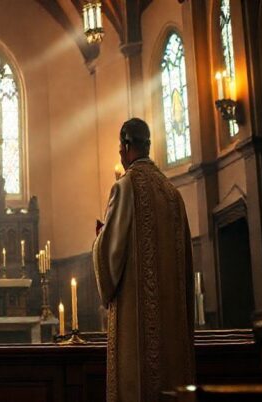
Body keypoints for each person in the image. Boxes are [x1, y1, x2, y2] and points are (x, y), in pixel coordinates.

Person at [93, 118, 195, 402]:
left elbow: (110, 257)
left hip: (136, 338)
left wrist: (100, 238)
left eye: (120, 148)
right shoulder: (173, 194)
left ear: (126, 147)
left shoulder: (125, 187)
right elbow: (186, 267)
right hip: (173, 335)